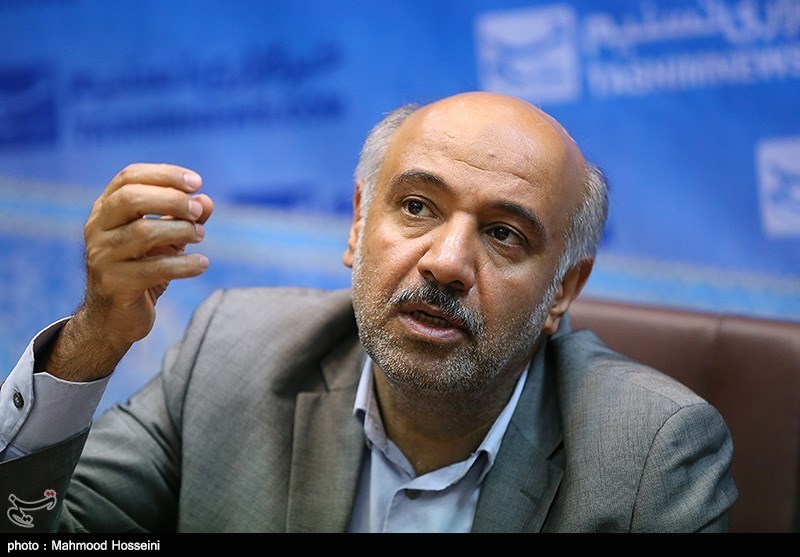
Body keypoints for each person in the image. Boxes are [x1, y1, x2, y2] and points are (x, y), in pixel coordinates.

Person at [0, 91, 737, 533]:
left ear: (564, 291)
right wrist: (94, 341)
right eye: (416, 207)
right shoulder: (231, 355)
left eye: (504, 234)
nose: (446, 262)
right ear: (357, 225)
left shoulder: (652, 459)